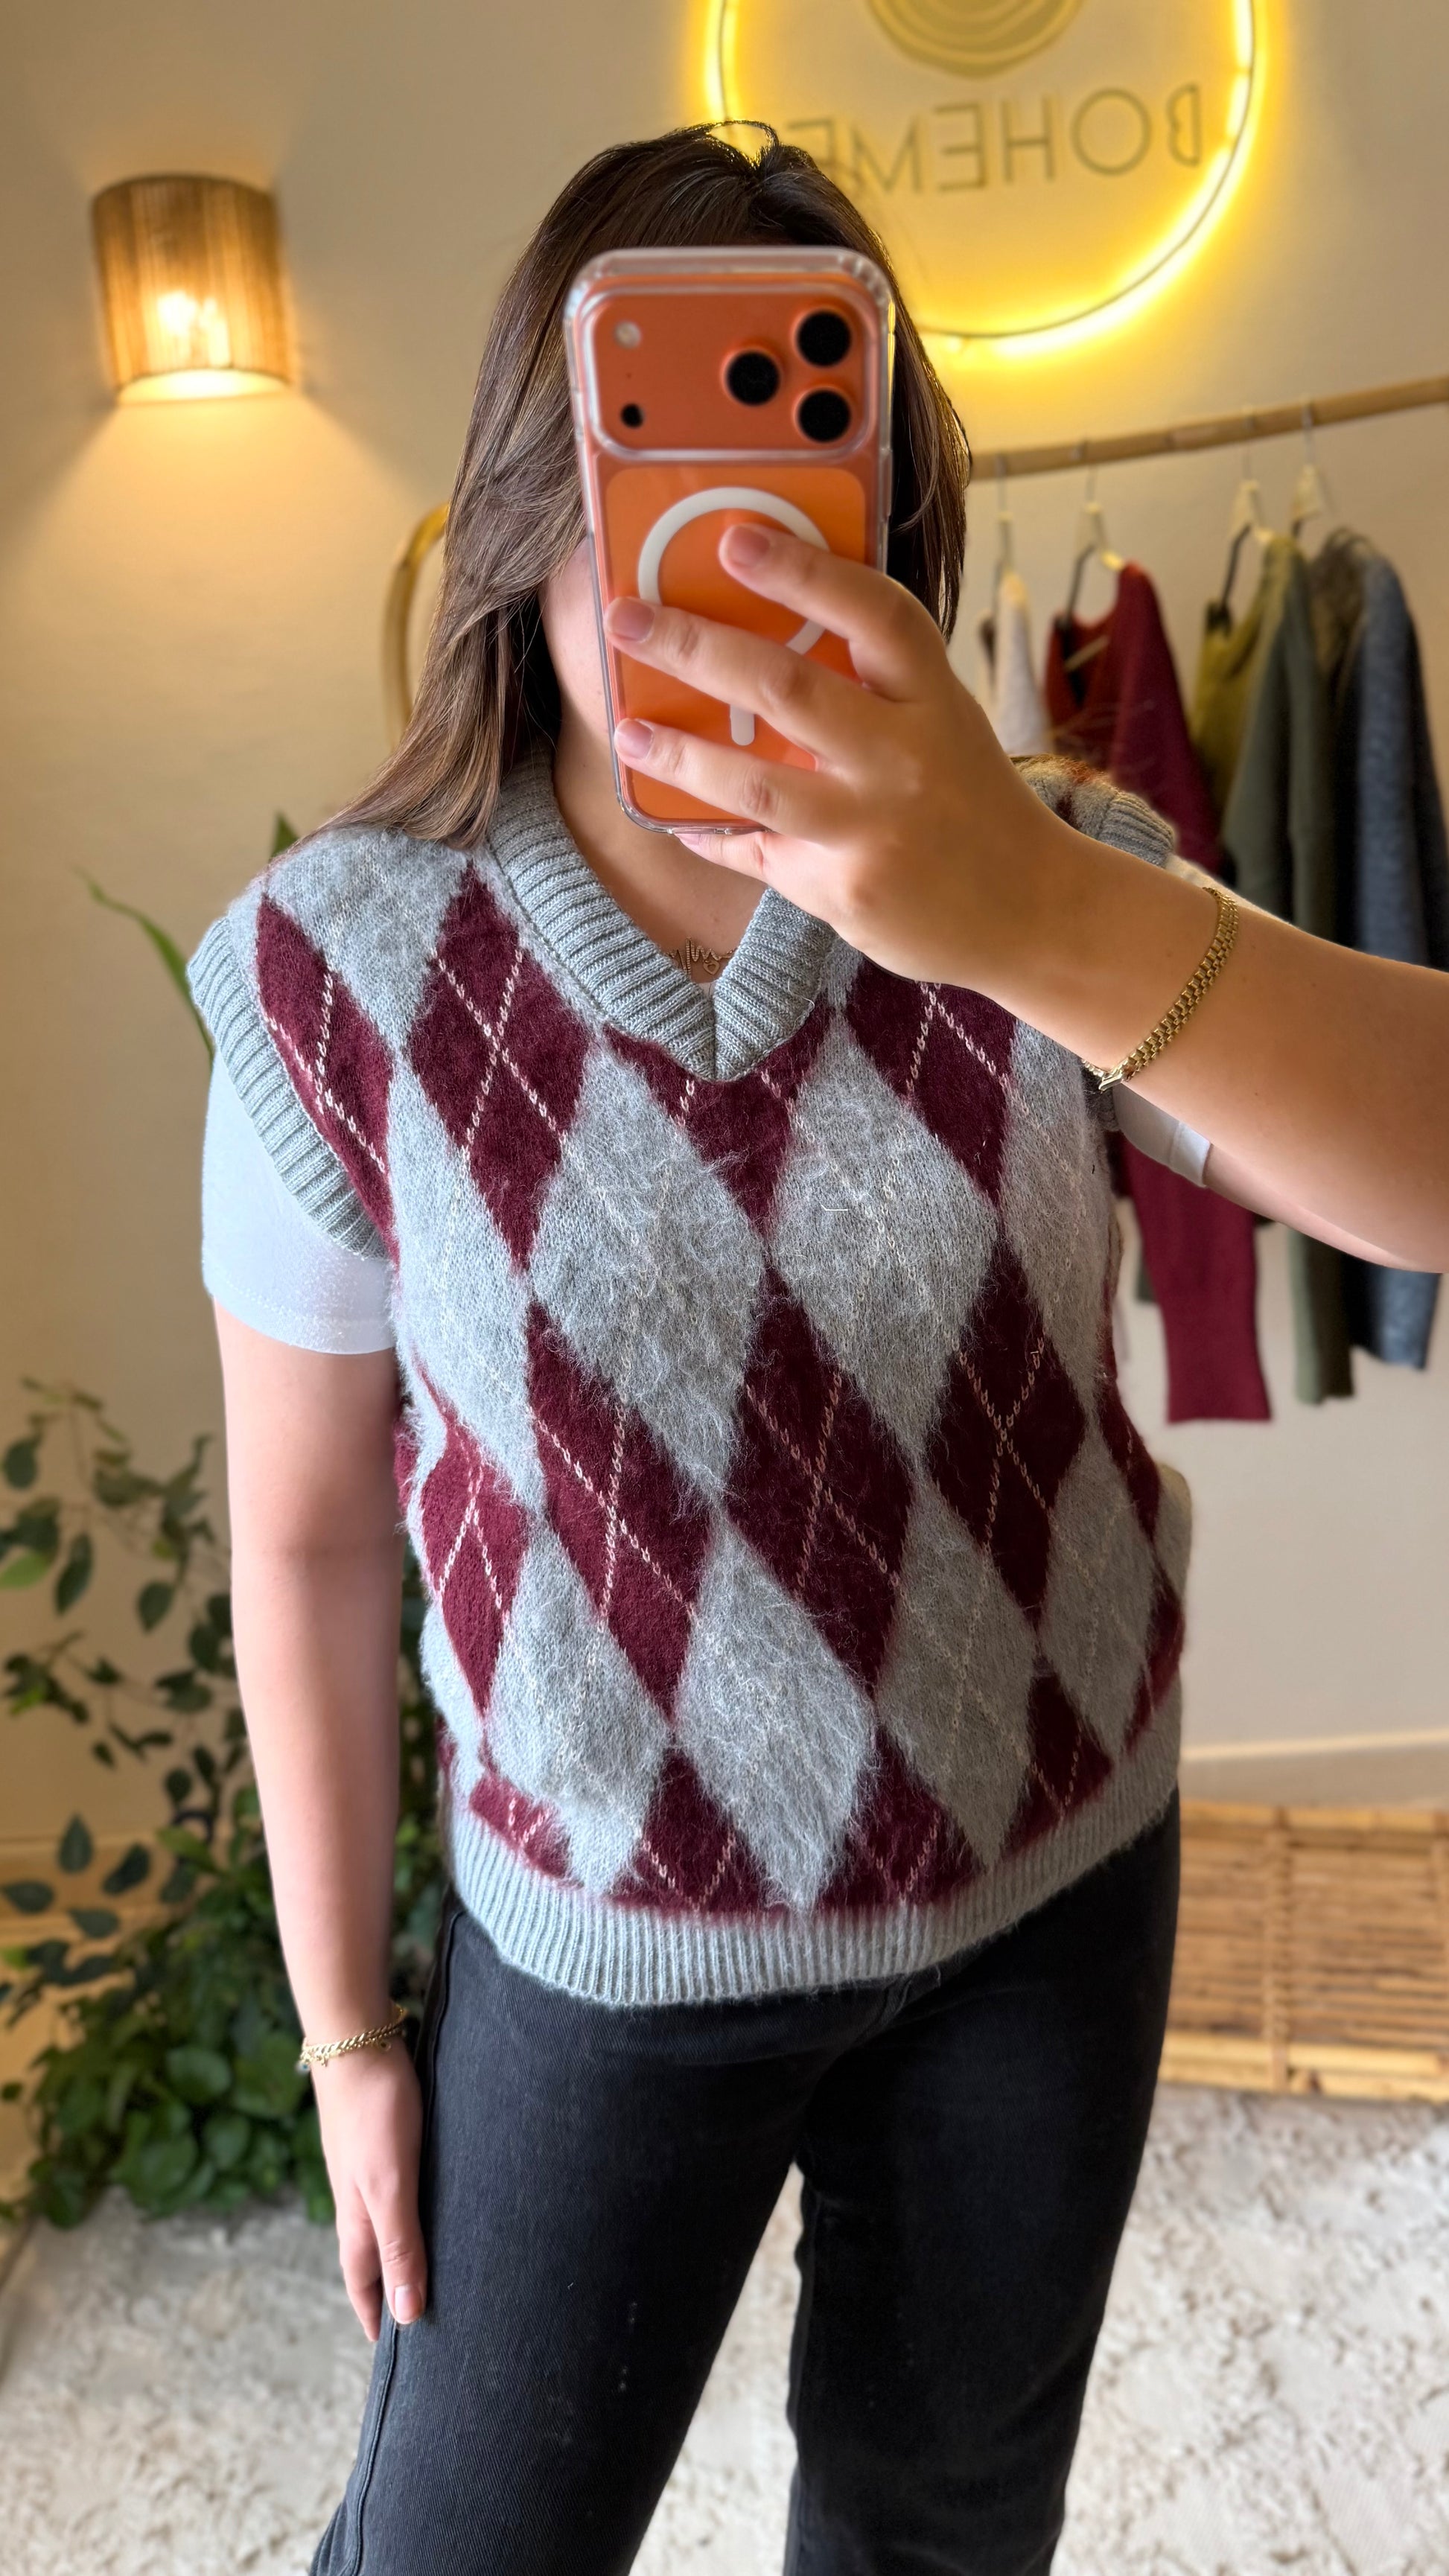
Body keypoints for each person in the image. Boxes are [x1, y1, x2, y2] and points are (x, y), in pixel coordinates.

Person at [188, 124, 1445, 2576]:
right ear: (530, 503)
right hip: (602, 1947)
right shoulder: (337, 980)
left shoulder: (1057, 878)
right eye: (649, 467)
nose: (719, 562)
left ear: (891, 511)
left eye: (797, 471)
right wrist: (347, 2031)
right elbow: (312, 1534)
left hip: (1048, 1894)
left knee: (943, 2527)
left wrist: (1029, 906)